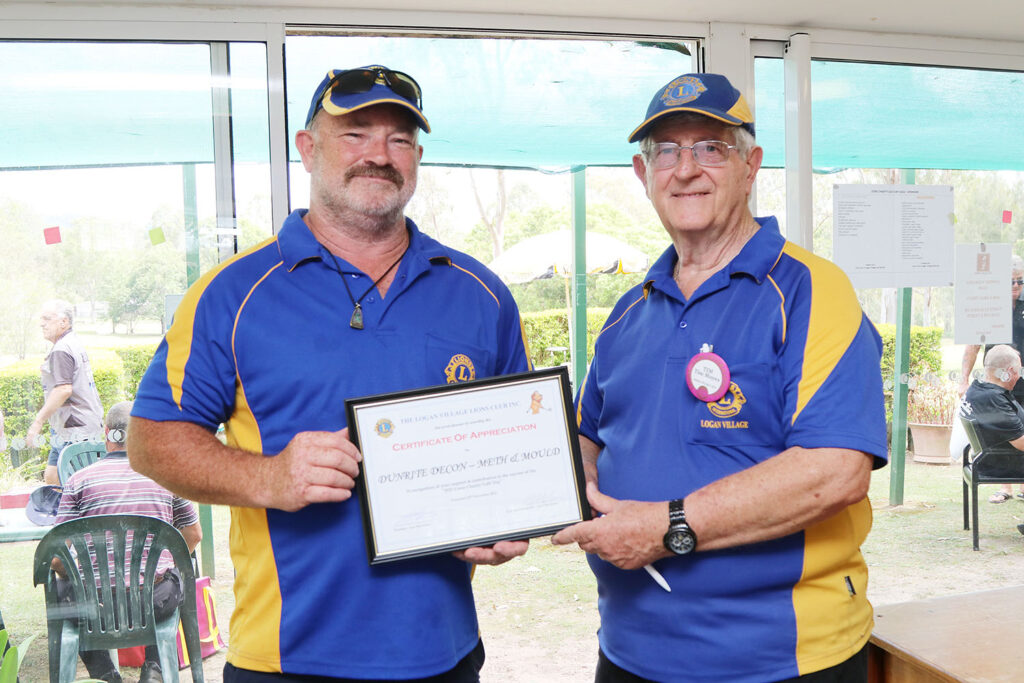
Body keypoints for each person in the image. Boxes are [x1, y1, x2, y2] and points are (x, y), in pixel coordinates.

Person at [127, 65, 531, 682]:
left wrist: (507, 519)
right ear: (307, 149)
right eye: (356, 134)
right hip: (285, 659)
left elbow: (513, 453)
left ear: (417, 158)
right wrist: (269, 477)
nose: (379, 155)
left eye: (398, 139)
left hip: (443, 653)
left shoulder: (483, 295)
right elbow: (151, 439)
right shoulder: (230, 295)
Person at [551, 73, 887, 682]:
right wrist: (551, 485)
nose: (687, 169)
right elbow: (586, 437)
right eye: (668, 152)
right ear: (641, 173)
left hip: (778, 660)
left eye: (711, 146)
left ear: (750, 164)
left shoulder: (810, 290)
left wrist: (668, 527)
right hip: (630, 652)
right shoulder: (628, 311)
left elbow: (836, 471)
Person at [54, 401, 202, 683]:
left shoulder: (77, 481)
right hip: (154, 601)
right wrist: (164, 561)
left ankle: (107, 677)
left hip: (92, 605)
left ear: (107, 434)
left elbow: (58, 559)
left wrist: (73, 578)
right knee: (177, 573)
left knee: (63, 588)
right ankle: (154, 668)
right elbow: (194, 535)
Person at [958, 255, 1024, 503]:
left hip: (1022, 377)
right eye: (1010, 282)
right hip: (998, 381)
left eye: (1020, 281)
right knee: (1003, 430)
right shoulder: (987, 306)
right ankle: (1005, 486)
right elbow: (972, 345)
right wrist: (963, 379)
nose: (1016, 286)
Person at [28, 298, 104, 485]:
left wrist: (38, 422)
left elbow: (63, 389)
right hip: (72, 428)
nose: (42, 323)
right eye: (41, 319)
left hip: (75, 430)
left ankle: (73, 514)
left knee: (71, 485)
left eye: (47, 318)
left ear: (64, 322)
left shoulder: (62, 350)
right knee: (53, 479)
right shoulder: (71, 343)